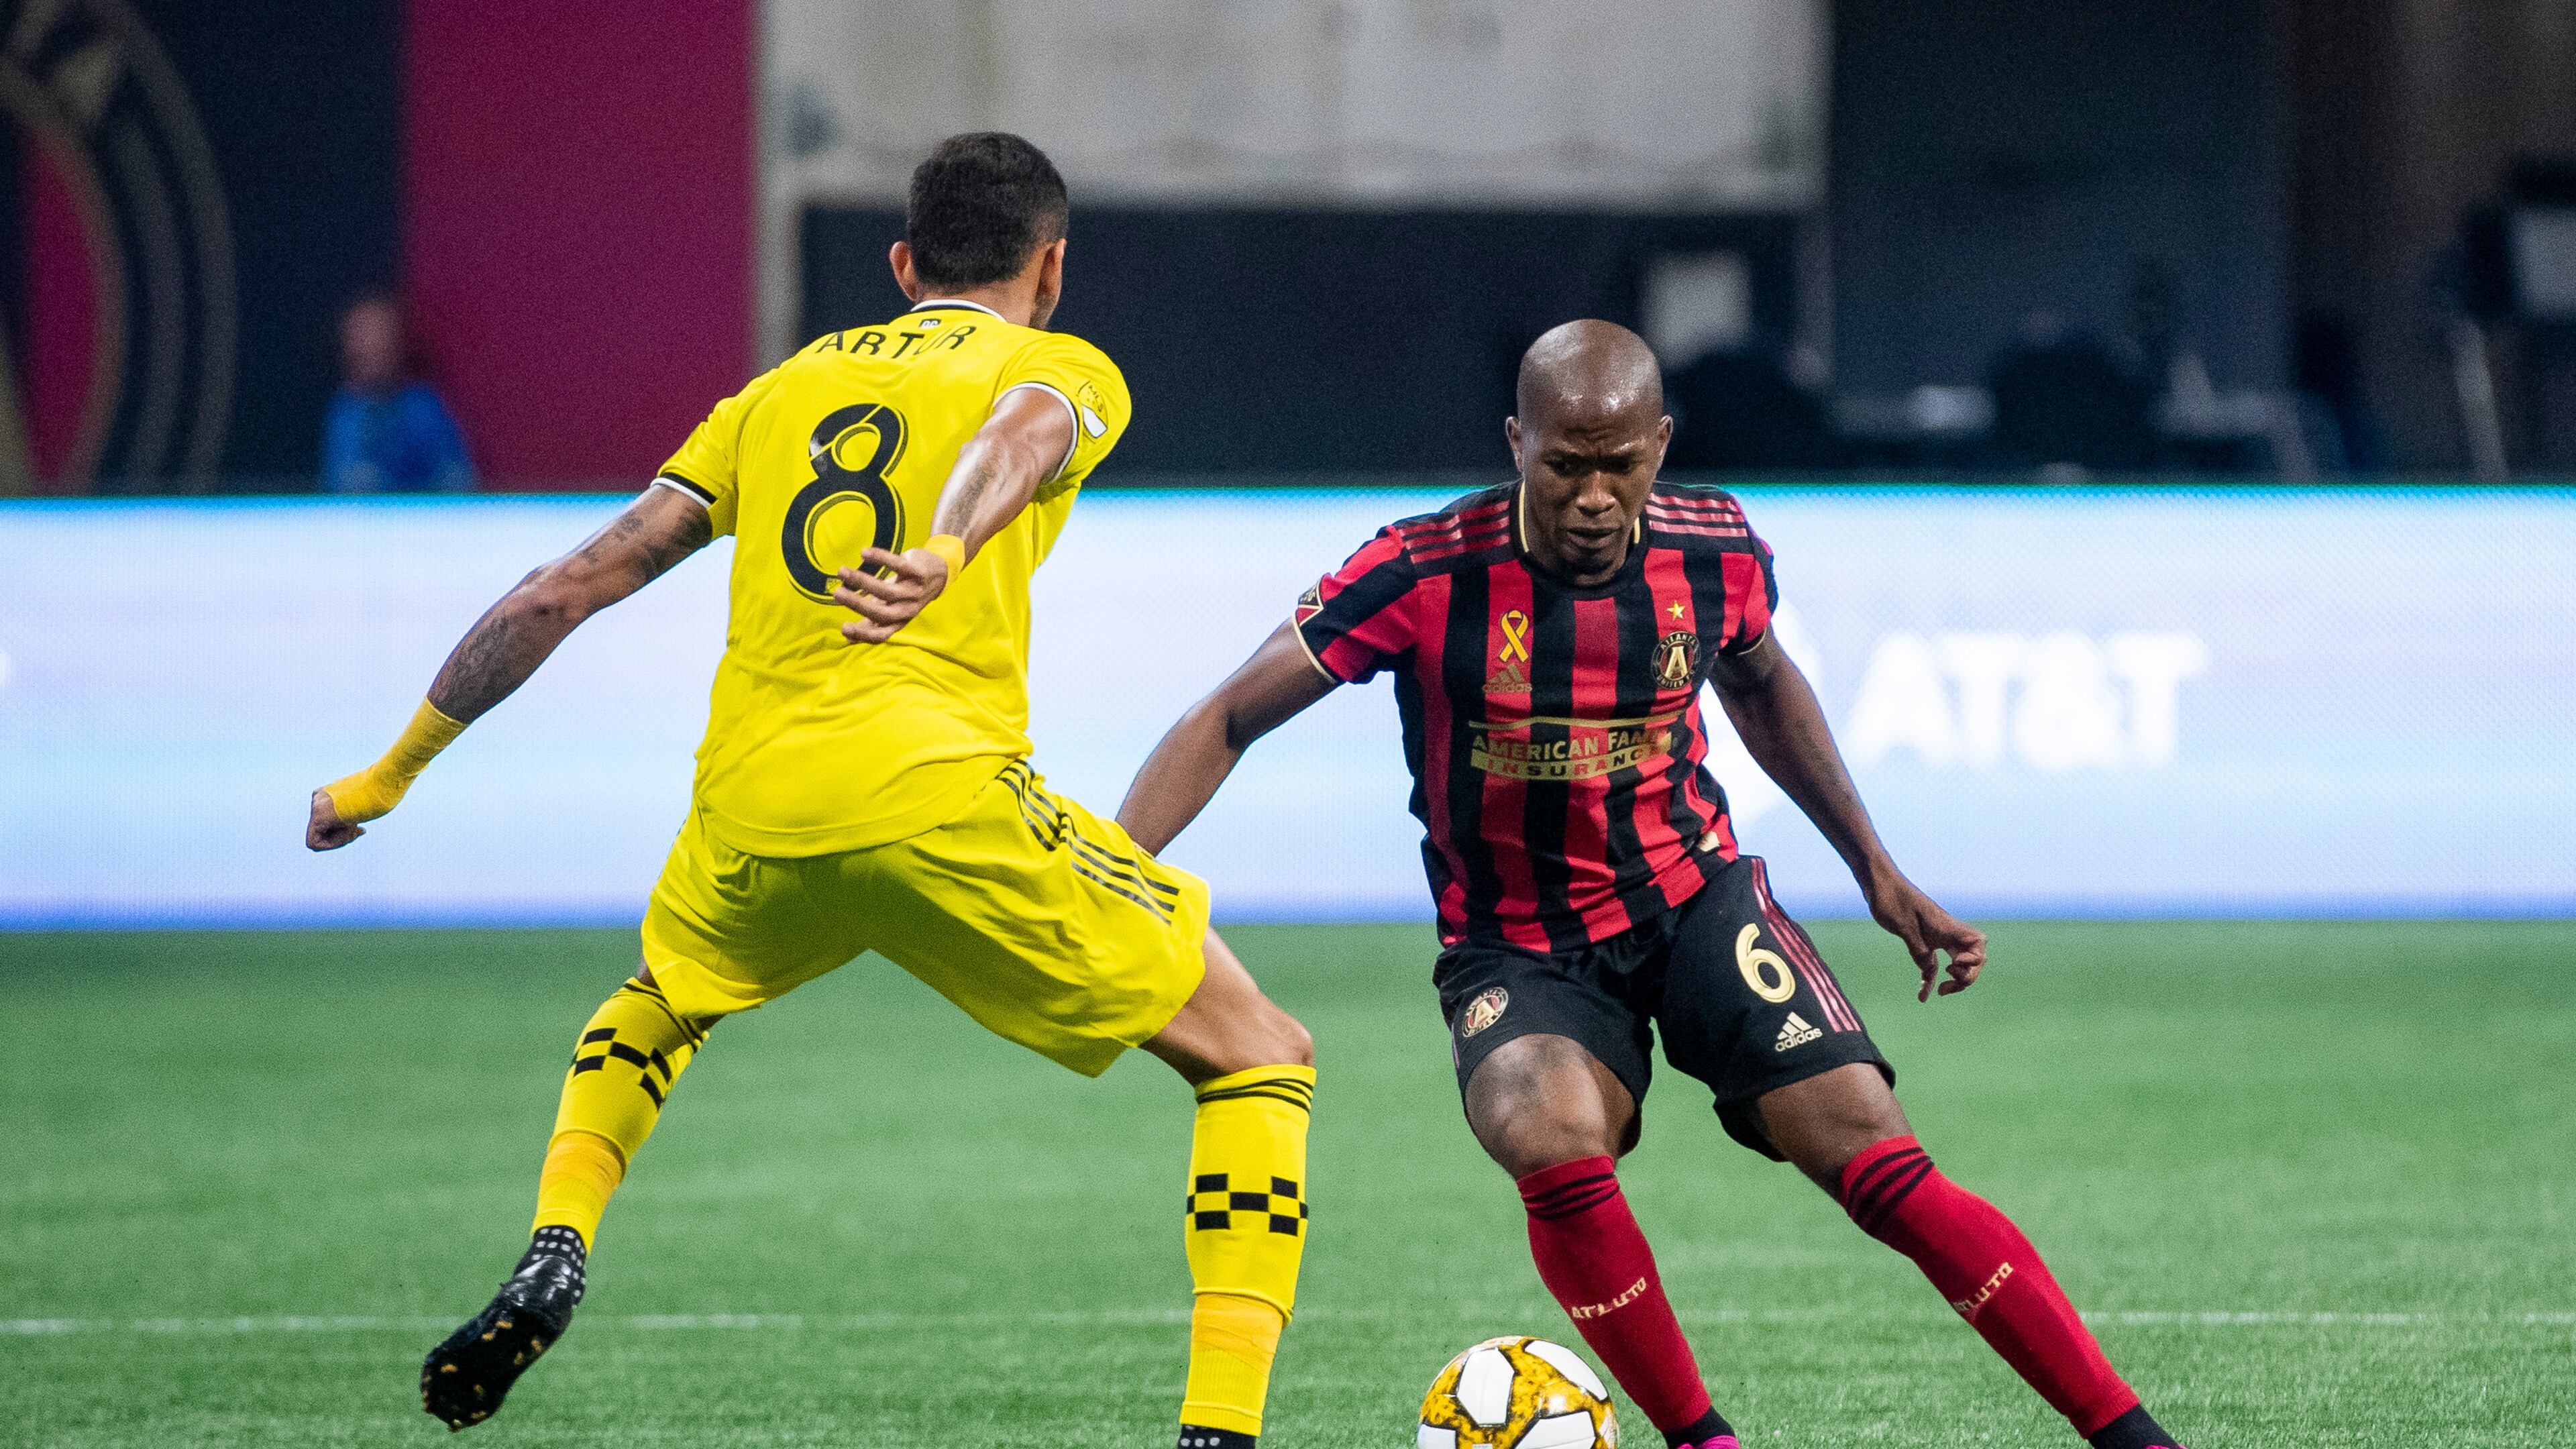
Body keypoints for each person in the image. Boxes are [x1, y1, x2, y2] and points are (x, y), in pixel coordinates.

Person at [306, 133, 1316, 1446]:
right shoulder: (1058, 363)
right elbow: (1023, 435)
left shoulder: (775, 395)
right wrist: (949, 541)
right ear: (1051, 268)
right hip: (938, 795)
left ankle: (561, 1238)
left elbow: (572, 584)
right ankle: (1219, 1432)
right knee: (1260, 1060)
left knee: (659, 1005)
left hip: (752, 812)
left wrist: (386, 773)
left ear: (902, 266)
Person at [1116, 321, 2189, 1449]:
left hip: (1695, 903)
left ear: (1660, 445)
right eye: (1563, 464)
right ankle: (1702, 1439)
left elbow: (1767, 690)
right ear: (1515, 441)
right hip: (1517, 945)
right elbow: (1228, 713)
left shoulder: (1718, 548)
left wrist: (1877, 869)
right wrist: (1115, 871)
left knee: (1872, 1147)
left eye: (1618, 464)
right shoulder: (1423, 570)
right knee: (1545, 1128)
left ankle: (2129, 1435)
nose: (1591, 495)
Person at [322, 294, 475, 493]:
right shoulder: (344, 413)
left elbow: (457, 477)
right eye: (363, 336)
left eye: (380, 335)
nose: (372, 345)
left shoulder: (424, 406)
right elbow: (342, 484)